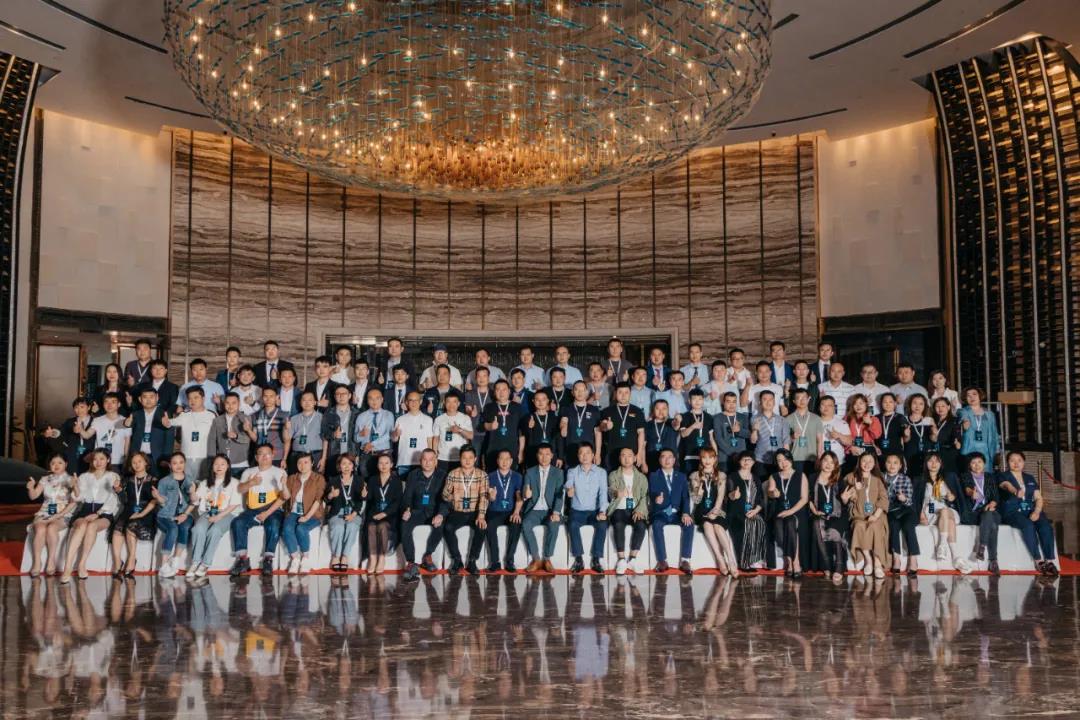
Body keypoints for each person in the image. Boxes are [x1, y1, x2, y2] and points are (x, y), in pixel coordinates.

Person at [60, 449, 120, 583]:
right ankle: (67, 567)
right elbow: (78, 497)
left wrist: (98, 514)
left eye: (102, 459)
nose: (98, 462)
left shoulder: (113, 476)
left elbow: (113, 499)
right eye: (95, 459)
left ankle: (82, 564)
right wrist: (75, 487)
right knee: (81, 525)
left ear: (108, 460)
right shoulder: (84, 476)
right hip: (85, 509)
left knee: (92, 526)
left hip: (104, 512)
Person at [230, 444, 287, 577]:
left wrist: (267, 513)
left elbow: (283, 498)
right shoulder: (248, 472)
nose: (264, 456)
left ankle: (268, 559)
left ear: (273, 455)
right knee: (238, 522)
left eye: (268, 453)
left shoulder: (280, 472)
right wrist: (251, 483)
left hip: (273, 510)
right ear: (256, 457)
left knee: (274, 524)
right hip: (252, 510)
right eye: (261, 454)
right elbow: (240, 489)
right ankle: (243, 560)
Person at [998, 450, 1057, 575]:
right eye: (1012, 460)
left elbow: (1038, 498)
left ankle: (1049, 560)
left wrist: (1037, 511)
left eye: (1019, 460)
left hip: (1030, 510)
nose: (1016, 463)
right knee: (1028, 525)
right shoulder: (1003, 476)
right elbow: (1006, 485)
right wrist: (1015, 491)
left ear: (1023, 462)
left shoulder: (1029, 478)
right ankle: (1038, 560)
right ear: (1008, 463)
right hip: (1012, 512)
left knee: (1046, 526)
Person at [185, 455, 242, 580]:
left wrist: (218, 517)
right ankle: (195, 562)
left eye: (222, 464)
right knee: (198, 529)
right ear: (212, 467)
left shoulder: (234, 483)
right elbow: (195, 501)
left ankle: (205, 564)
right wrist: (192, 492)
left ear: (228, 466)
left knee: (215, 530)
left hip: (227, 513)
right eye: (216, 464)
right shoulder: (205, 483)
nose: (219, 467)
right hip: (208, 512)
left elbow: (234, 505)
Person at [436, 445, 489, 575]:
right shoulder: (452, 474)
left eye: (470, 457)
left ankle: (472, 561)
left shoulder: (482, 475)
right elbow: (444, 495)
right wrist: (450, 495)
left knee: (481, 528)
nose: (467, 460)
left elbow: (484, 496)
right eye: (464, 457)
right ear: (460, 459)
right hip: (457, 512)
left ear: (475, 459)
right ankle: (457, 560)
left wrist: (481, 516)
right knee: (448, 528)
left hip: (475, 512)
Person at [918, 451, 970, 574]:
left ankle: (942, 545)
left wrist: (950, 494)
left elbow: (953, 497)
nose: (934, 464)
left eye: (937, 461)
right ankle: (956, 557)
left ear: (941, 463)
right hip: (930, 509)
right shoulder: (920, 479)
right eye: (931, 461)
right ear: (926, 463)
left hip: (945, 507)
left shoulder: (947, 477)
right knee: (949, 521)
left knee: (945, 511)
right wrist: (921, 514)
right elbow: (917, 499)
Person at [25, 453, 76, 577]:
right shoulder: (44, 479)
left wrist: (59, 515)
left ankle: (51, 560)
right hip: (45, 511)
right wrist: (31, 488)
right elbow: (33, 496)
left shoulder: (70, 480)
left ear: (66, 464)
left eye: (60, 463)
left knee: (52, 528)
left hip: (63, 513)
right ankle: (37, 562)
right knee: (40, 528)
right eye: (53, 463)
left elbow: (74, 502)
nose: (56, 465)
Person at [690, 448, 738, 576]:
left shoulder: (721, 475)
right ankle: (720, 559)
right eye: (704, 457)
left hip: (718, 509)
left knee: (717, 526)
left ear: (715, 459)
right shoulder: (695, 475)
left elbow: (721, 496)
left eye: (710, 457)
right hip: (701, 510)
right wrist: (698, 493)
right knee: (707, 524)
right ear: (700, 459)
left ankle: (731, 559)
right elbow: (696, 500)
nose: (707, 460)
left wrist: (715, 511)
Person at [400, 449, 447, 581]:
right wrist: (407, 510)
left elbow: (446, 499)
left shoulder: (443, 475)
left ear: (436, 461)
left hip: (434, 511)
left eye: (431, 460)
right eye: (424, 459)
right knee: (404, 523)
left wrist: (440, 514)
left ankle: (428, 556)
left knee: (442, 524)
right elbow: (407, 496)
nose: (427, 462)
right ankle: (411, 563)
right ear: (420, 461)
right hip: (416, 511)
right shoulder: (413, 475)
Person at [518, 444, 565, 574]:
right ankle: (536, 559)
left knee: (554, 525)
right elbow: (525, 490)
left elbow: (559, 494)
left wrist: (556, 512)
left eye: (547, 454)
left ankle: (547, 559)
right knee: (525, 524)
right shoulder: (530, 472)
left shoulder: (558, 473)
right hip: (534, 509)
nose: (544, 457)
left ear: (552, 456)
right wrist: (526, 495)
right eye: (541, 454)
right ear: (537, 455)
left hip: (550, 510)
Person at [110, 451, 158, 579]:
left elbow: (154, 501)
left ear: (146, 462)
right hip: (129, 509)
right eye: (134, 462)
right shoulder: (127, 480)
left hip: (146, 511)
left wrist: (141, 513)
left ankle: (131, 559)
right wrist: (119, 491)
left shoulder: (154, 480)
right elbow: (124, 500)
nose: (137, 464)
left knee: (131, 526)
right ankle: (117, 562)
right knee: (117, 529)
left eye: (139, 461)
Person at [565, 443, 609, 574]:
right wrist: (569, 489)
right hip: (577, 511)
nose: (584, 456)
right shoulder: (572, 471)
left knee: (602, 524)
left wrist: (602, 511)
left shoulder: (601, 472)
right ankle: (579, 560)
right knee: (572, 524)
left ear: (593, 455)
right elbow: (568, 484)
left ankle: (596, 559)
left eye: (588, 453)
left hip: (594, 511)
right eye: (581, 453)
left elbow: (603, 493)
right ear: (578, 456)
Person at [648, 448, 693, 574]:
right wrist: (655, 499)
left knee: (689, 524)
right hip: (661, 512)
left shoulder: (681, 477)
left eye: (670, 457)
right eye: (663, 457)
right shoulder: (653, 476)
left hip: (677, 513)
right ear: (659, 460)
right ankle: (662, 561)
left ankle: (685, 560)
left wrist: (685, 513)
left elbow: (685, 497)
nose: (667, 460)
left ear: (674, 460)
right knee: (656, 525)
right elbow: (651, 493)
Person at [809, 452, 851, 585]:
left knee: (833, 530)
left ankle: (839, 566)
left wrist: (845, 499)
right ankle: (826, 564)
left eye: (832, 462)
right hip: (818, 513)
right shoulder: (812, 478)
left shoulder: (839, 479)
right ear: (820, 462)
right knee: (817, 525)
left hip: (838, 514)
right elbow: (808, 498)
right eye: (826, 461)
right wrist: (814, 510)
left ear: (835, 465)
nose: (828, 464)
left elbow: (845, 502)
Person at [605, 447, 648, 575]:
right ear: (619, 458)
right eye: (623, 455)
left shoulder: (641, 477)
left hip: (635, 509)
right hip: (619, 508)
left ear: (634, 458)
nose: (626, 458)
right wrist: (615, 493)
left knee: (641, 525)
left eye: (629, 455)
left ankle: (633, 559)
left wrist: (640, 510)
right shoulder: (613, 475)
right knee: (618, 524)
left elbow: (645, 496)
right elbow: (610, 490)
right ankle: (621, 559)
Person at [151, 452, 195, 579]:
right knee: (173, 528)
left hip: (185, 513)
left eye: (181, 462)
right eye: (174, 463)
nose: (178, 465)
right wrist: (157, 496)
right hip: (165, 515)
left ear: (185, 463)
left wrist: (185, 514)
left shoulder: (190, 480)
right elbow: (163, 502)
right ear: (170, 465)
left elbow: (194, 502)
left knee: (185, 526)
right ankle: (163, 565)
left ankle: (176, 558)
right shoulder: (164, 481)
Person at [281, 453, 326, 575]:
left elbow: (318, 500)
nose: (302, 465)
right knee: (287, 529)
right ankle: (295, 559)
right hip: (294, 512)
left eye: (306, 462)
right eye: (299, 463)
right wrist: (284, 484)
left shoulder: (319, 478)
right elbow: (286, 497)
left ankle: (305, 558)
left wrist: (307, 517)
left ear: (312, 463)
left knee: (301, 528)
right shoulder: (292, 478)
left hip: (313, 514)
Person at [845, 452, 889, 579]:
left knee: (875, 526)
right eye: (864, 461)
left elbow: (884, 499)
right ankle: (868, 559)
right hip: (859, 515)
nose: (867, 464)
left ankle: (877, 563)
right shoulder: (851, 477)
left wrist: (875, 515)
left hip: (876, 515)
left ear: (874, 464)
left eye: (870, 461)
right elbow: (846, 495)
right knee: (859, 526)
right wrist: (854, 488)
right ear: (859, 462)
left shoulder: (878, 480)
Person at [766, 450, 808, 578]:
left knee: (790, 522)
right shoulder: (774, 476)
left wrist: (790, 511)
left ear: (790, 459)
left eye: (785, 459)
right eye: (779, 461)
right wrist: (773, 493)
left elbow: (804, 499)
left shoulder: (801, 475)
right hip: (780, 511)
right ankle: (790, 561)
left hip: (797, 511)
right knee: (780, 526)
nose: (783, 463)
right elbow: (770, 492)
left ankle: (794, 562)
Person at [483, 449, 525, 573]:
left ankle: (510, 561)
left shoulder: (517, 476)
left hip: (511, 511)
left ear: (511, 461)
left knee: (516, 524)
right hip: (495, 511)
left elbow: (519, 496)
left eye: (507, 459)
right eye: (502, 458)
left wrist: (516, 512)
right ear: (497, 461)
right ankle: (495, 562)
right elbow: (488, 498)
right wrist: (491, 497)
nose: (504, 462)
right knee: (489, 526)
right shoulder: (490, 476)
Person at [959, 452, 1001, 574]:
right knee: (993, 525)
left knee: (989, 514)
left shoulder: (990, 477)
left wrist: (992, 504)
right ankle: (993, 561)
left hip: (989, 510)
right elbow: (967, 488)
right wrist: (972, 493)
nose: (977, 465)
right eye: (973, 463)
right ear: (969, 465)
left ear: (984, 464)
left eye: (979, 462)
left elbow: (996, 496)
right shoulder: (965, 476)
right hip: (973, 513)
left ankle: (982, 546)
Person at [325, 453, 366, 573]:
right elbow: (326, 500)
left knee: (352, 526)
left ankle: (344, 556)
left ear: (353, 466)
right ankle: (336, 556)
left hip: (354, 512)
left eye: (349, 463)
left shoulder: (359, 480)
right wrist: (331, 495)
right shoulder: (333, 480)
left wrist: (354, 513)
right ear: (339, 466)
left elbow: (362, 501)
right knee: (338, 527)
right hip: (337, 511)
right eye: (344, 464)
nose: (347, 466)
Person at [167, 387, 216, 486]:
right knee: (187, 487)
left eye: (196, 397)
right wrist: (165, 420)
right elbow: (169, 423)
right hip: (186, 458)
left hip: (204, 457)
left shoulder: (211, 415)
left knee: (204, 487)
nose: (192, 401)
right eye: (189, 398)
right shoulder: (184, 415)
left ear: (203, 398)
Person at [727, 452, 766, 572]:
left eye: (749, 459)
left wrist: (755, 510)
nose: (746, 462)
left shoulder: (756, 479)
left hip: (753, 511)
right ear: (739, 462)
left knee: (759, 523)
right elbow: (728, 495)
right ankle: (743, 562)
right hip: (736, 512)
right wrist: (734, 495)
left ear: (753, 462)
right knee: (745, 524)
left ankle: (753, 560)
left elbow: (761, 499)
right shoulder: (732, 476)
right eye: (743, 459)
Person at [365, 454, 403, 575]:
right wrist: (364, 495)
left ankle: (381, 558)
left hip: (390, 515)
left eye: (386, 463)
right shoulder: (372, 480)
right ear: (377, 465)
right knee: (371, 526)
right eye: (381, 463)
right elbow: (370, 499)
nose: (384, 466)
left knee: (382, 526)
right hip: (375, 513)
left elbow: (398, 502)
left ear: (391, 465)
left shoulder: (396, 481)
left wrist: (385, 513)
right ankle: (373, 558)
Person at [882, 452, 919, 575]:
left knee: (908, 527)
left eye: (895, 463)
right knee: (893, 526)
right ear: (885, 464)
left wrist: (904, 499)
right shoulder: (880, 477)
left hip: (905, 510)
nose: (892, 465)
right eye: (889, 462)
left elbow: (910, 501)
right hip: (890, 511)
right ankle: (896, 559)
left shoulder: (905, 479)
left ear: (900, 466)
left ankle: (913, 559)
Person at [599, 383, 646, 471]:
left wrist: (639, 453)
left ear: (630, 394)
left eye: (626, 392)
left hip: (631, 454)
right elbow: (601, 428)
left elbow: (641, 433)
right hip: (612, 453)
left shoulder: (638, 411)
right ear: (615, 393)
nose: (623, 395)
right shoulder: (607, 411)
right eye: (620, 392)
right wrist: (606, 426)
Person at [124, 387, 171, 474]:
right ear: (140, 399)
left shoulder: (164, 414)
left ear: (157, 397)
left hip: (157, 458)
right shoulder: (135, 414)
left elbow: (169, 439)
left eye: (151, 397)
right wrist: (126, 425)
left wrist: (166, 459)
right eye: (145, 397)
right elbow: (127, 428)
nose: (148, 400)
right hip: (137, 458)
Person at [482, 380, 526, 471]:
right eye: (498, 389)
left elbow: (522, 432)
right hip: (493, 449)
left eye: (504, 389)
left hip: (512, 449)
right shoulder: (489, 407)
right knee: (492, 475)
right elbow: (483, 425)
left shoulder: (517, 407)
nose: (501, 392)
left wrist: (521, 451)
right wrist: (490, 426)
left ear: (509, 391)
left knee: (512, 475)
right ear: (494, 392)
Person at [207, 393, 252, 478]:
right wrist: (212, 460)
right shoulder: (217, 420)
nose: (230, 406)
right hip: (221, 465)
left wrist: (236, 436)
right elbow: (212, 441)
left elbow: (248, 440)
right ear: (224, 404)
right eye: (227, 403)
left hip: (241, 463)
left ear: (239, 403)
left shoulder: (246, 418)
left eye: (234, 403)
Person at [352, 387, 394, 478]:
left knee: (383, 481)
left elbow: (389, 435)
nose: (374, 401)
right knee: (366, 480)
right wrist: (360, 434)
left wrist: (372, 444)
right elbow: (355, 439)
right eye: (371, 398)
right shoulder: (361, 416)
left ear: (382, 399)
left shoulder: (388, 414)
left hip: (383, 454)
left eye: (377, 398)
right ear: (367, 400)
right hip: (366, 454)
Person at [560, 381, 603, 468]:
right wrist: (563, 427)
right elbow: (563, 423)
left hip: (588, 452)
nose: (580, 392)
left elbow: (598, 433)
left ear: (586, 392)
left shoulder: (594, 410)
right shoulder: (566, 409)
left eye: (582, 390)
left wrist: (598, 454)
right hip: (571, 450)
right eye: (577, 390)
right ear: (572, 392)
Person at [245, 386, 289, 467]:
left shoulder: (284, 415)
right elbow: (256, 439)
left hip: (277, 455)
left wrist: (284, 458)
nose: (268, 399)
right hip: (260, 455)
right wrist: (248, 430)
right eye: (265, 396)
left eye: (271, 396)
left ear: (276, 397)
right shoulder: (255, 415)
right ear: (262, 398)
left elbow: (287, 440)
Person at [88, 392, 131, 473]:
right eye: (106, 402)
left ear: (119, 404)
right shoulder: (97, 420)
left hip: (118, 462)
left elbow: (127, 443)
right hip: (99, 462)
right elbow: (87, 435)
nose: (109, 405)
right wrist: (80, 430)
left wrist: (126, 459)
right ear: (103, 404)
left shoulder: (125, 421)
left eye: (113, 402)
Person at [958, 387, 1000, 469]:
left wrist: (997, 450)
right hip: (970, 448)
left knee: (986, 472)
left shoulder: (990, 414)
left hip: (986, 448)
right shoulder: (963, 411)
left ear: (980, 396)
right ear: (965, 398)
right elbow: (962, 416)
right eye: (968, 395)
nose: (972, 397)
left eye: (974, 394)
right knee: (970, 471)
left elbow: (994, 433)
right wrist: (965, 422)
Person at [750, 390, 788, 480]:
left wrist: (786, 460)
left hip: (778, 460)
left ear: (774, 402)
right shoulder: (755, 418)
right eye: (765, 399)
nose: (768, 402)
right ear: (760, 402)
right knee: (761, 485)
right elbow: (753, 441)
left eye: (771, 399)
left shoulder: (782, 420)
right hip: (760, 459)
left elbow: (786, 441)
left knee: (777, 485)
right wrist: (754, 430)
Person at [432, 390, 473, 472]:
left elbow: (470, 436)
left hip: (460, 458)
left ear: (458, 403)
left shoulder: (465, 418)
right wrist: (434, 457)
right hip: (442, 458)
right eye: (448, 402)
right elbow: (435, 439)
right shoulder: (438, 419)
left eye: (454, 402)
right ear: (444, 403)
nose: (451, 405)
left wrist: (460, 430)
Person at [322, 385, 360, 473]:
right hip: (334, 454)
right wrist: (333, 434)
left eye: (344, 394)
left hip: (352, 454)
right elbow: (323, 434)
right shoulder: (329, 413)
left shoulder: (357, 413)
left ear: (349, 396)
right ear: (334, 396)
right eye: (338, 394)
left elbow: (360, 436)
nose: (341, 396)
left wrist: (358, 454)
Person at [521, 389, 562, 468]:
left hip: (551, 455)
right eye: (537, 399)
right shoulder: (527, 418)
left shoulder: (554, 418)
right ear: (533, 401)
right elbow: (524, 437)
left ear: (547, 401)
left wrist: (560, 456)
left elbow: (559, 438)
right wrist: (529, 428)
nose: (540, 402)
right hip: (533, 454)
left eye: (543, 399)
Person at [678, 388, 716, 474]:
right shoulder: (685, 416)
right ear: (689, 401)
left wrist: (715, 454)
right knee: (690, 479)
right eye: (694, 399)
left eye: (700, 399)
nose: (697, 402)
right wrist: (693, 426)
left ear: (703, 400)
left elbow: (711, 439)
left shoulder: (709, 417)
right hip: (689, 455)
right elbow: (683, 434)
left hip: (705, 458)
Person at [785, 388, 822, 475]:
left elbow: (820, 440)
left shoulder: (816, 418)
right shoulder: (788, 419)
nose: (801, 401)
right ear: (794, 401)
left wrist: (819, 458)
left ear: (809, 399)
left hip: (812, 458)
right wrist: (792, 437)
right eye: (798, 398)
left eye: (804, 398)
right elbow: (785, 442)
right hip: (795, 458)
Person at [287, 390, 325, 474]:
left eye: (310, 400)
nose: (307, 403)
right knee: (296, 480)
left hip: (315, 455)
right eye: (304, 400)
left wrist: (323, 458)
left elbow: (325, 440)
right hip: (297, 455)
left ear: (315, 402)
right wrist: (285, 429)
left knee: (316, 480)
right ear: (300, 403)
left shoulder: (321, 418)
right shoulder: (293, 418)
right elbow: (287, 439)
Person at [713, 392, 750, 474]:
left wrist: (739, 431)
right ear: (723, 403)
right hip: (724, 458)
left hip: (741, 458)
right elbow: (718, 439)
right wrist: (732, 454)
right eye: (728, 401)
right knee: (724, 480)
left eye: (734, 401)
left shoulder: (743, 417)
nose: (731, 404)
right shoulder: (717, 418)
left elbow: (748, 435)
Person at [844, 394, 882, 471]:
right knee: (852, 473)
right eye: (855, 404)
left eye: (861, 403)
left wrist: (870, 423)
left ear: (866, 404)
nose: (858, 406)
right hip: (853, 449)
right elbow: (843, 437)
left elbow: (876, 436)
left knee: (868, 474)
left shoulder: (873, 419)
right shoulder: (846, 419)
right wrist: (850, 448)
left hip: (868, 450)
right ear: (852, 406)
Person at [930, 397, 963, 475]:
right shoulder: (932, 420)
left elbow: (957, 437)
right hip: (935, 454)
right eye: (937, 406)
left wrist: (957, 443)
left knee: (949, 476)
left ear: (948, 407)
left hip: (949, 453)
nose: (940, 408)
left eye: (943, 406)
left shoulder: (955, 420)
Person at [902, 394, 933, 478]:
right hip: (909, 455)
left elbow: (934, 439)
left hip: (926, 455)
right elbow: (904, 441)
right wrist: (906, 435)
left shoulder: (929, 420)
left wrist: (934, 433)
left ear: (925, 406)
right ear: (910, 404)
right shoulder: (904, 419)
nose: (917, 406)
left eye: (921, 404)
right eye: (914, 403)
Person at [645, 399, 680, 471]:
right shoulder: (647, 425)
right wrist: (643, 462)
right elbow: (643, 445)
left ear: (668, 410)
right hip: (651, 462)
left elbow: (676, 425)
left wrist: (677, 421)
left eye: (664, 408)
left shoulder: (671, 422)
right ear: (653, 410)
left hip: (670, 463)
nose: (661, 411)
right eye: (658, 408)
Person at [817, 395, 851, 467]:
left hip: (838, 462)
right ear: (819, 407)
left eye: (829, 405)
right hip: (819, 462)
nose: (826, 407)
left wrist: (839, 435)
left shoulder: (842, 423)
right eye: (823, 405)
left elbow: (849, 442)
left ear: (834, 407)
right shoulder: (813, 422)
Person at [874, 393, 908, 460]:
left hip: (895, 453)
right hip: (879, 453)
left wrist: (907, 435)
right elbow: (871, 437)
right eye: (885, 402)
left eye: (890, 402)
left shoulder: (900, 417)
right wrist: (874, 446)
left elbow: (906, 439)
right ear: (881, 404)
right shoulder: (876, 418)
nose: (888, 404)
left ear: (895, 403)